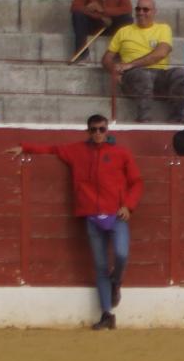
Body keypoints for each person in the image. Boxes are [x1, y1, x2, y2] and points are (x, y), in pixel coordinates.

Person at [11, 114, 142, 331]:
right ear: (88, 131)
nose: (98, 133)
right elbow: (51, 149)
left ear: (107, 130)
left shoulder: (121, 153)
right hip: (91, 215)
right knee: (100, 266)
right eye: (93, 130)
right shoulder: (76, 151)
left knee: (121, 254)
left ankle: (116, 282)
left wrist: (128, 206)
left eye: (101, 129)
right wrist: (24, 147)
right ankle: (107, 314)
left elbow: (137, 182)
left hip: (117, 214)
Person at [102, 0, 183, 123]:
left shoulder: (163, 28)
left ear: (154, 12)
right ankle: (144, 119)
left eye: (146, 10)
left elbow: (161, 53)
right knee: (142, 75)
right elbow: (106, 58)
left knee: (180, 74)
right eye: (138, 9)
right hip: (133, 76)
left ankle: (178, 119)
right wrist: (115, 70)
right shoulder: (123, 31)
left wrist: (131, 64)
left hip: (159, 75)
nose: (141, 13)